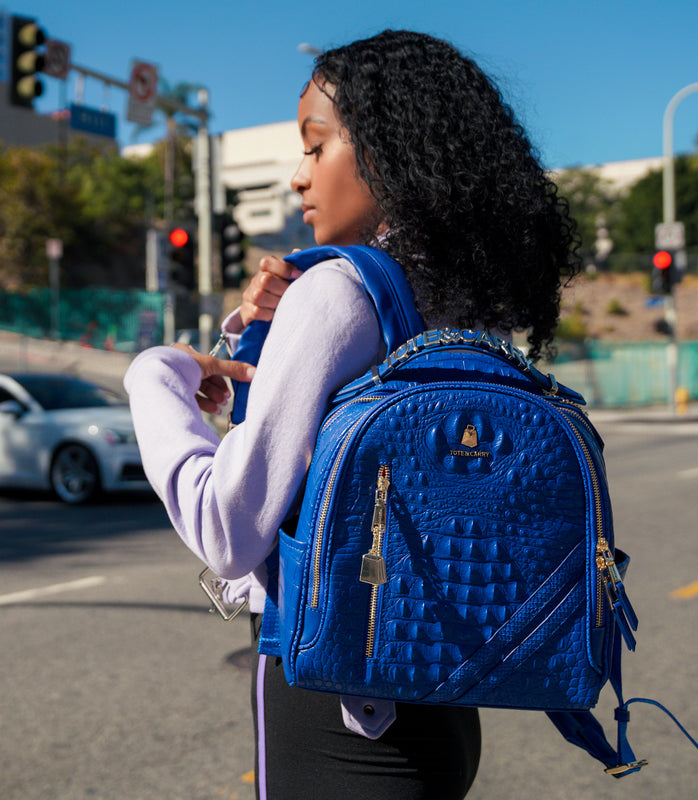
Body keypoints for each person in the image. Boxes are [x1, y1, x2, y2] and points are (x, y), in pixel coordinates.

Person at [124, 29, 579, 800]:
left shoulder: (333, 294)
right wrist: (263, 353)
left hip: (339, 718)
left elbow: (229, 532)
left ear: (389, 152)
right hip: (445, 701)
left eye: (317, 147)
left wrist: (155, 377)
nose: (299, 178)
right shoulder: (458, 306)